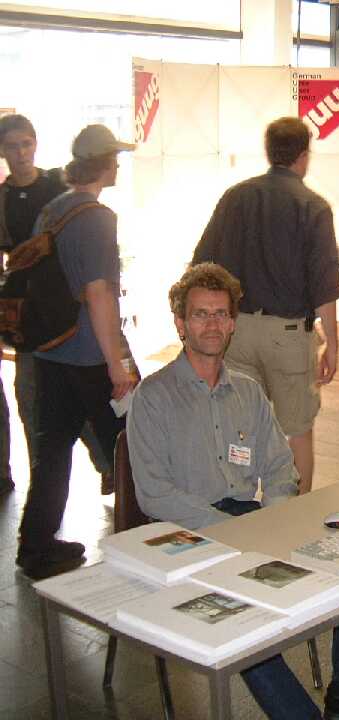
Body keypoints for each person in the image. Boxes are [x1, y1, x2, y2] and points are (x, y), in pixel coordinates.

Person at [128, 263, 339, 720]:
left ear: (233, 324)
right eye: (200, 314)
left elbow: (281, 467)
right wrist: (234, 532)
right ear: (180, 324)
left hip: (253, 516)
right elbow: (154, 495)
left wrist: (276, 518)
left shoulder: (248, 392)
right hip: (186, 533)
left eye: (221, 314)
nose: (212, 324)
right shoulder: (153, 397)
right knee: (241, 617)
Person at [193, 117, 339, 494]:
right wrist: (332, 343)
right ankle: (294, 510)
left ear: (269, 151)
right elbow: (324, 284)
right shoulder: (313, 206)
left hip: (236, 331)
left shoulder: (235, 197)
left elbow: (201, 263)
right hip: (288, 334)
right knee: (298, 430)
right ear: (304, 156)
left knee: (240, 426)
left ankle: (240, 502)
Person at [15, 125, 138, 579]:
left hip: (50, 351)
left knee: (53, 448)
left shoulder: (53, 209)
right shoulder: (98, 217)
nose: (118, 165)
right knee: (129, 445)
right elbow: (98, 293)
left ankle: (36, 544)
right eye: (115, 158)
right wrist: (117, 364)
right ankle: (142, 536)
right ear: (103, 164)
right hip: (88, 353)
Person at [0, 114, 115, 497]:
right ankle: (50, 478)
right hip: (39, 323)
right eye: (12, 146)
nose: (20, 153)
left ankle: (105, 469)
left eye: (26, 144)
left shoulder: (55, 192)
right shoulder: (4, 200)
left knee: (68, 413)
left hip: (64, 321)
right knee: (37, 404)